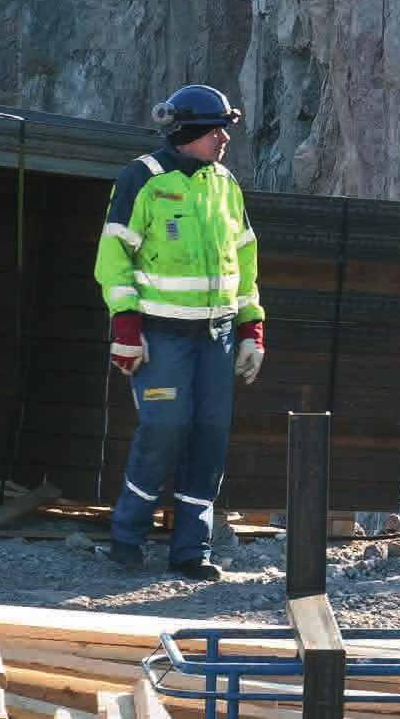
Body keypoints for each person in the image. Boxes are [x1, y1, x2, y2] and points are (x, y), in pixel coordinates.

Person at [94, 83, 266, 579]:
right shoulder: (142, 179)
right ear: (190, 130)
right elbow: (113, 257)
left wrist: (251, 327)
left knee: (209, 439)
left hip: (215, 338)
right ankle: (127, 538)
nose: (224, 139)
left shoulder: (225, 185)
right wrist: (126, 326)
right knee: (164, 431)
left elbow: (246, 260)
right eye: (218, 129)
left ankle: (192, 551)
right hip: (163, 336)